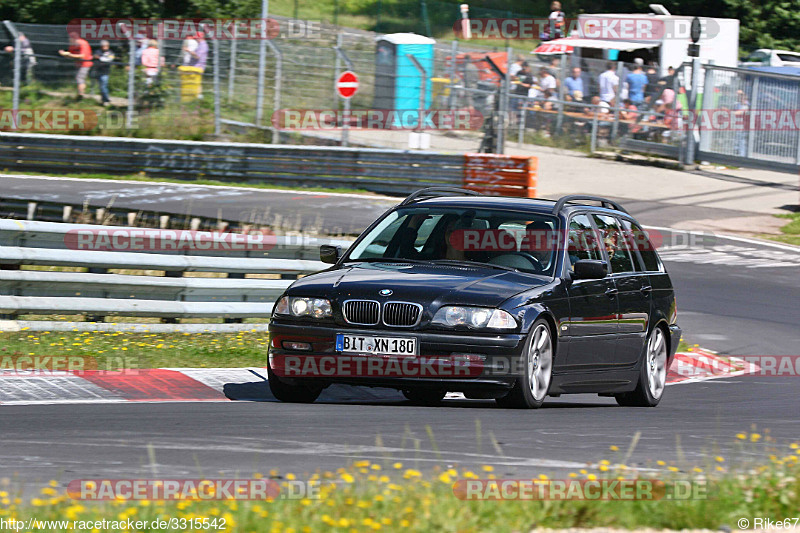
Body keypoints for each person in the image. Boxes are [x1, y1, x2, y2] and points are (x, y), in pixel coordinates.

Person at [59, 32, 93, 100]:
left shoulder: (83, 43)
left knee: (80, 78)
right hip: (78, 64)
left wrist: (69, 55)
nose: (69, 39)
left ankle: (81, 95)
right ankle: (80, 94)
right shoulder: (72, 45)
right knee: (79, 78)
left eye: (70, 38)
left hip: (85, 63)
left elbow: (82, 56)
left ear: (74, 38)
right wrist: (64, 54)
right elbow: (71, 55)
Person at [93, 40, 114, 106]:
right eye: (103, 46)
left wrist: (99, 57)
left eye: (106, 46)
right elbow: (94, 56)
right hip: (98, 71)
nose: (105, 47)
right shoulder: (97, 51)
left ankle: (106, 100)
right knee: (101, 87)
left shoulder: (110, 52)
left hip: (105, 72)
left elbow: (108, 59)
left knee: (103, 86)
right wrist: (99, 57)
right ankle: (103, 99)